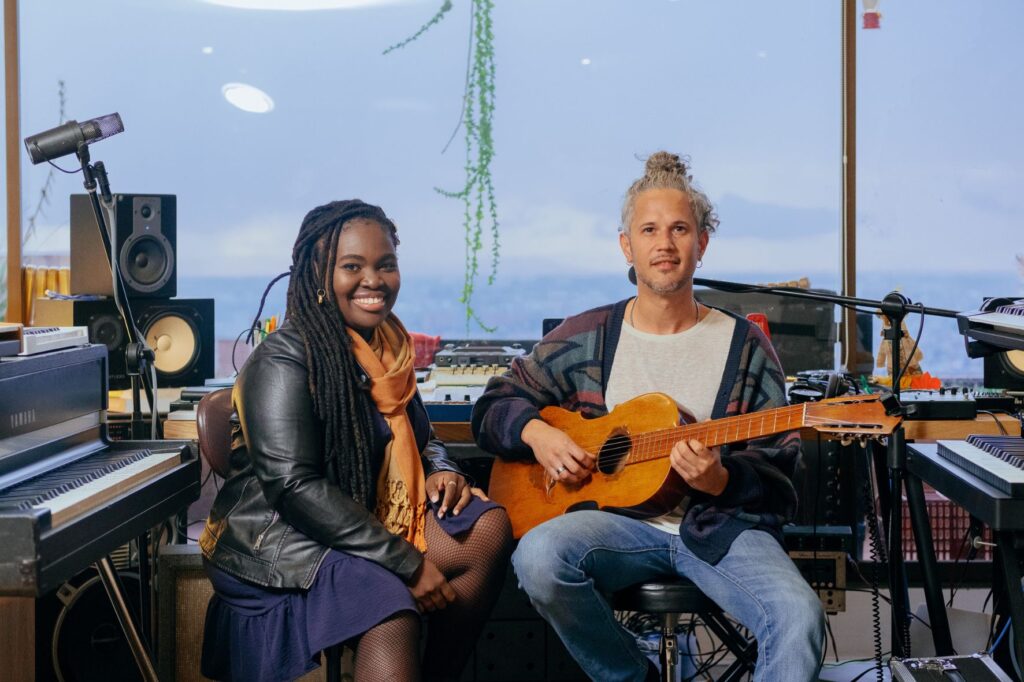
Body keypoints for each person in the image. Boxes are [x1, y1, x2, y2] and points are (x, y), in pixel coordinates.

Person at [472, 153, 825, 681]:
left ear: (701, 245)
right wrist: (540, 434)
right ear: (627, 246)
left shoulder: (745, 345)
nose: (665, 244)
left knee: (800, 617)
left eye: (680, 229)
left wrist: (722, 478)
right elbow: (495, 403)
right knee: (539, 559)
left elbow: (782, 474)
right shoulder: (587, 334)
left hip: (720, 529)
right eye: (650, 229)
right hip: (614, 528)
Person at [200, 199, 513, 682]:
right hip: (283, 541)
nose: (374, 280)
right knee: (385, 600)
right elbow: (293, 486)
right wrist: (406, 562)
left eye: (385, 265)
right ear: (320, 274)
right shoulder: (284, 360)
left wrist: (444, 470)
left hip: (359, 522)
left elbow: (421, 439)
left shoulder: (386, 348)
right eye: (353, 266)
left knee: (485, 531)